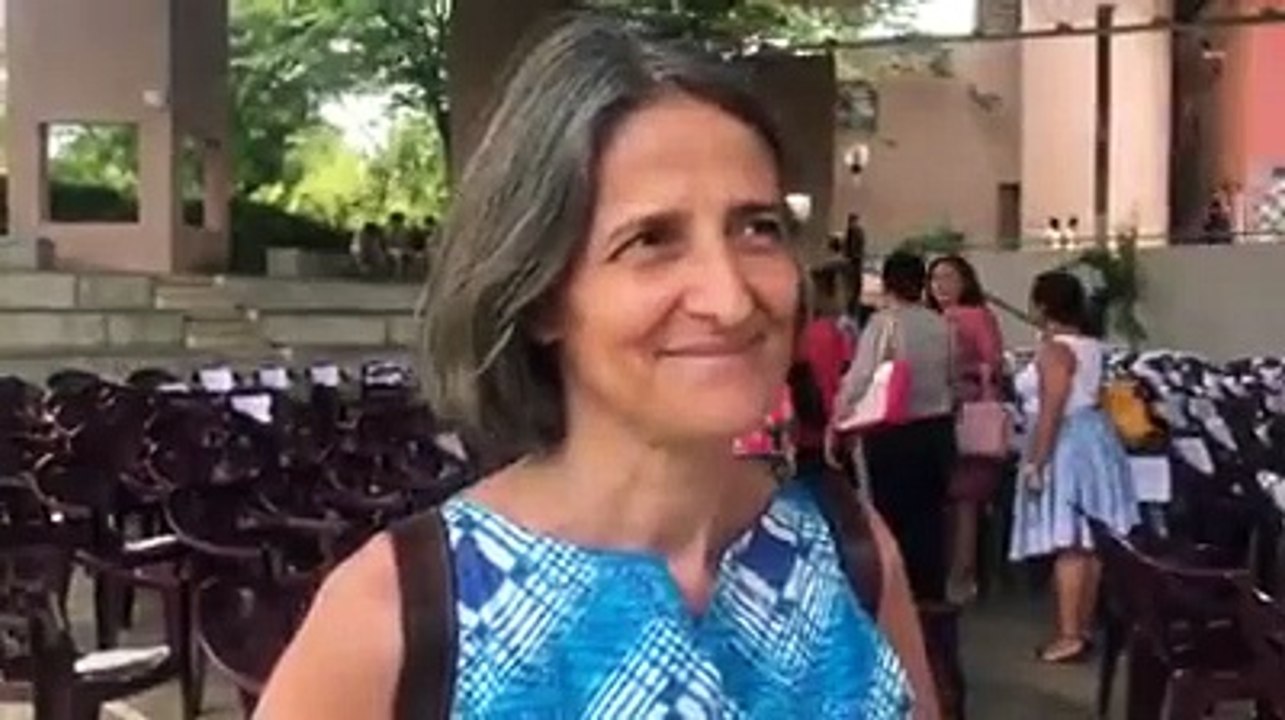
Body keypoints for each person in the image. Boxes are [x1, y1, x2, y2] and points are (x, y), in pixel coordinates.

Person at [257, 14, 937, 719]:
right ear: (541, 293)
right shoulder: (397, 618)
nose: (731, 300)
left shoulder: (847, 552)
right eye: (651, 239)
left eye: (756, 228)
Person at [1009, 271, 1139, 664]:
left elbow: (1053, 406)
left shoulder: (1055, 350)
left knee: (1070, 542)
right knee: (1090, 541)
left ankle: (1069, 633)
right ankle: (1081, 627)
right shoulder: (1091, 346)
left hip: (1068, 442)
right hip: (1097, 438)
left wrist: (1037, 460)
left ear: (1043, 305)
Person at [830, 251, 958, 604]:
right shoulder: (941, 324)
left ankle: (895, 597)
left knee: (890, 517)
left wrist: (838, 416)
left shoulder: (884, 323)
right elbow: (953, 378)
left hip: (893, 432)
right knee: (930, 517)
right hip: (937, 428)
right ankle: (931, 594)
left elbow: (860, 377)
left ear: (887, 282)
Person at [928, 255, 1005, 604]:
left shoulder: (976, 317)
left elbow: (993, 363)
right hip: (938, 412)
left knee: (965, 500)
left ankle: (963, 575)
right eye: (935, 279)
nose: (941, 286)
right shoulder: (931, 319)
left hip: (969, 413)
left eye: (948, 277)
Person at [793, 266, 856, 478]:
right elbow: (834, 382)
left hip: (795, 434)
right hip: (823, 434)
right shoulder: (830, 332)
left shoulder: (794, 332)